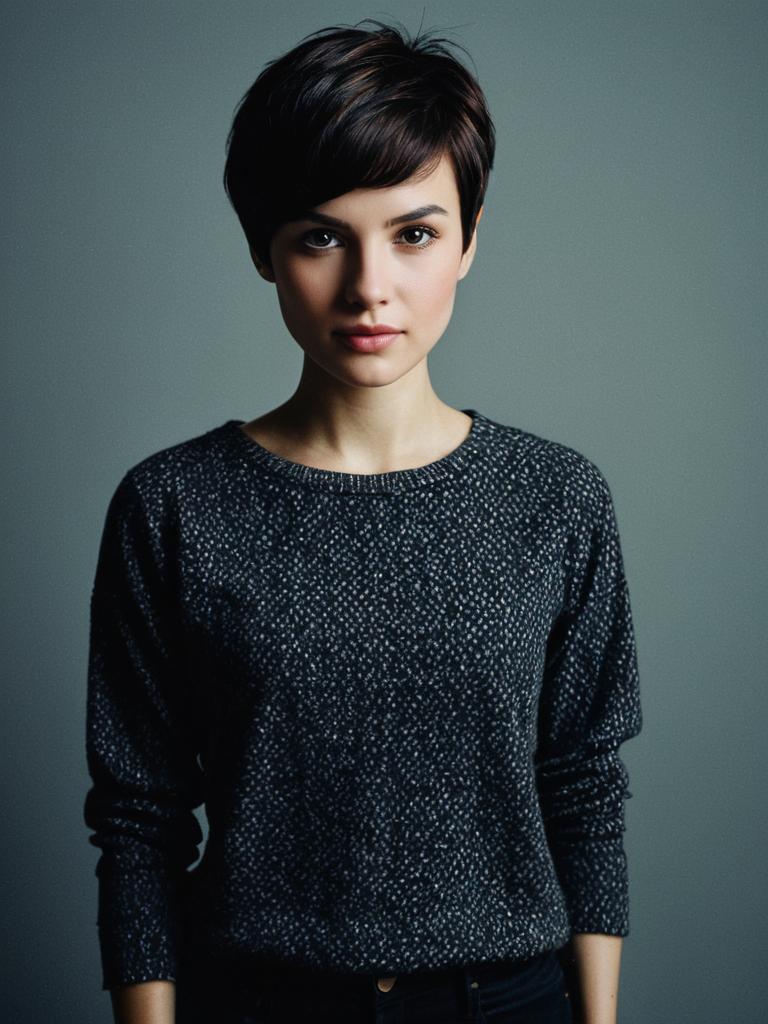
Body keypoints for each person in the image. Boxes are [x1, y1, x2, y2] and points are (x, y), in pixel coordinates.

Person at [83, 17, 643, 1024]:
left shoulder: (557, 499)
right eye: (321, 236)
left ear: (469, 241)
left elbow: (585, 790)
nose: (370, 286)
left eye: (415, 232)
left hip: (508, 1003)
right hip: (254, 1002)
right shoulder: (172, 508)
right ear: (266, 251)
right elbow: (139, 821)